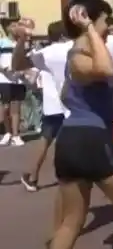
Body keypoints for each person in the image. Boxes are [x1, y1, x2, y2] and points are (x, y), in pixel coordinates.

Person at [49, 0, 113, 249]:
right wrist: (90, 28)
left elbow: (65, 97)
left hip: (71, 138)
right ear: (90, 21)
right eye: (104, 20)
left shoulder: (78, 56)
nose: (109, 25)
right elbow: (104, 70)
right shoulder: (79, 55)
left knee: (72, 221)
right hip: (91, 139)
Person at [12, 21, 69, 192]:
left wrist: (22, 40)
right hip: (73, 105)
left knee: (45, 141)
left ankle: (33, 175)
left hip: (54, 106)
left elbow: (18, 65)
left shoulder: (45, 53)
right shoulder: (73, 47)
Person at [0, 20, 27, 146]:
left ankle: (16, 135)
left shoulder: (22, 44)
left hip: (18, 79)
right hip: (4, 78)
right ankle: (7, 132)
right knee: (5, 106)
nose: (17, 27)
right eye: (14, 25)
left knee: (16, 106)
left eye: (18, 25)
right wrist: (3, 69)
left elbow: (26, 60)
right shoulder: (2, 42)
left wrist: (22, 71)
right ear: (8, 29)